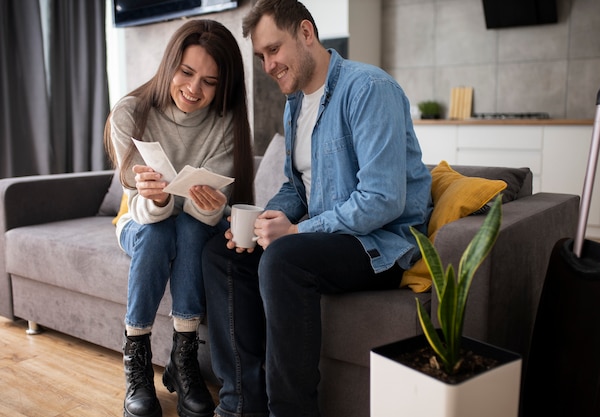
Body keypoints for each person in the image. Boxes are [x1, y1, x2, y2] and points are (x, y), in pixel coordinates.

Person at [201, 1, 433, 416]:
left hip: (380, 243)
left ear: (306, 33)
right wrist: (260, 222)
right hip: (332, 238)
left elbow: (383, 199)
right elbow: (298, 187)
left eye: (274, 50)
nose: (268, 65)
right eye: (261, 56)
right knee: (223, 253)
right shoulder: (296, 105)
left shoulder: (368, 88)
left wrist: (295, 233)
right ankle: (240, 406)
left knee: (284, 259)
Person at [103, 19, 254, 417]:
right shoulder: (130, 113)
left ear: (223, 86)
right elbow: (137, 205)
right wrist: (156, 201)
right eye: (186, 72)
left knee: (187, 225)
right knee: (157, 232)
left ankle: (182, 359)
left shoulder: (224, 124)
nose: (193, 89)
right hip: (139, 220)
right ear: (169, 64)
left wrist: (208, 206)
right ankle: (136, 361)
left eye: (209, 81)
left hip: (193, 224)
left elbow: (211, 213)